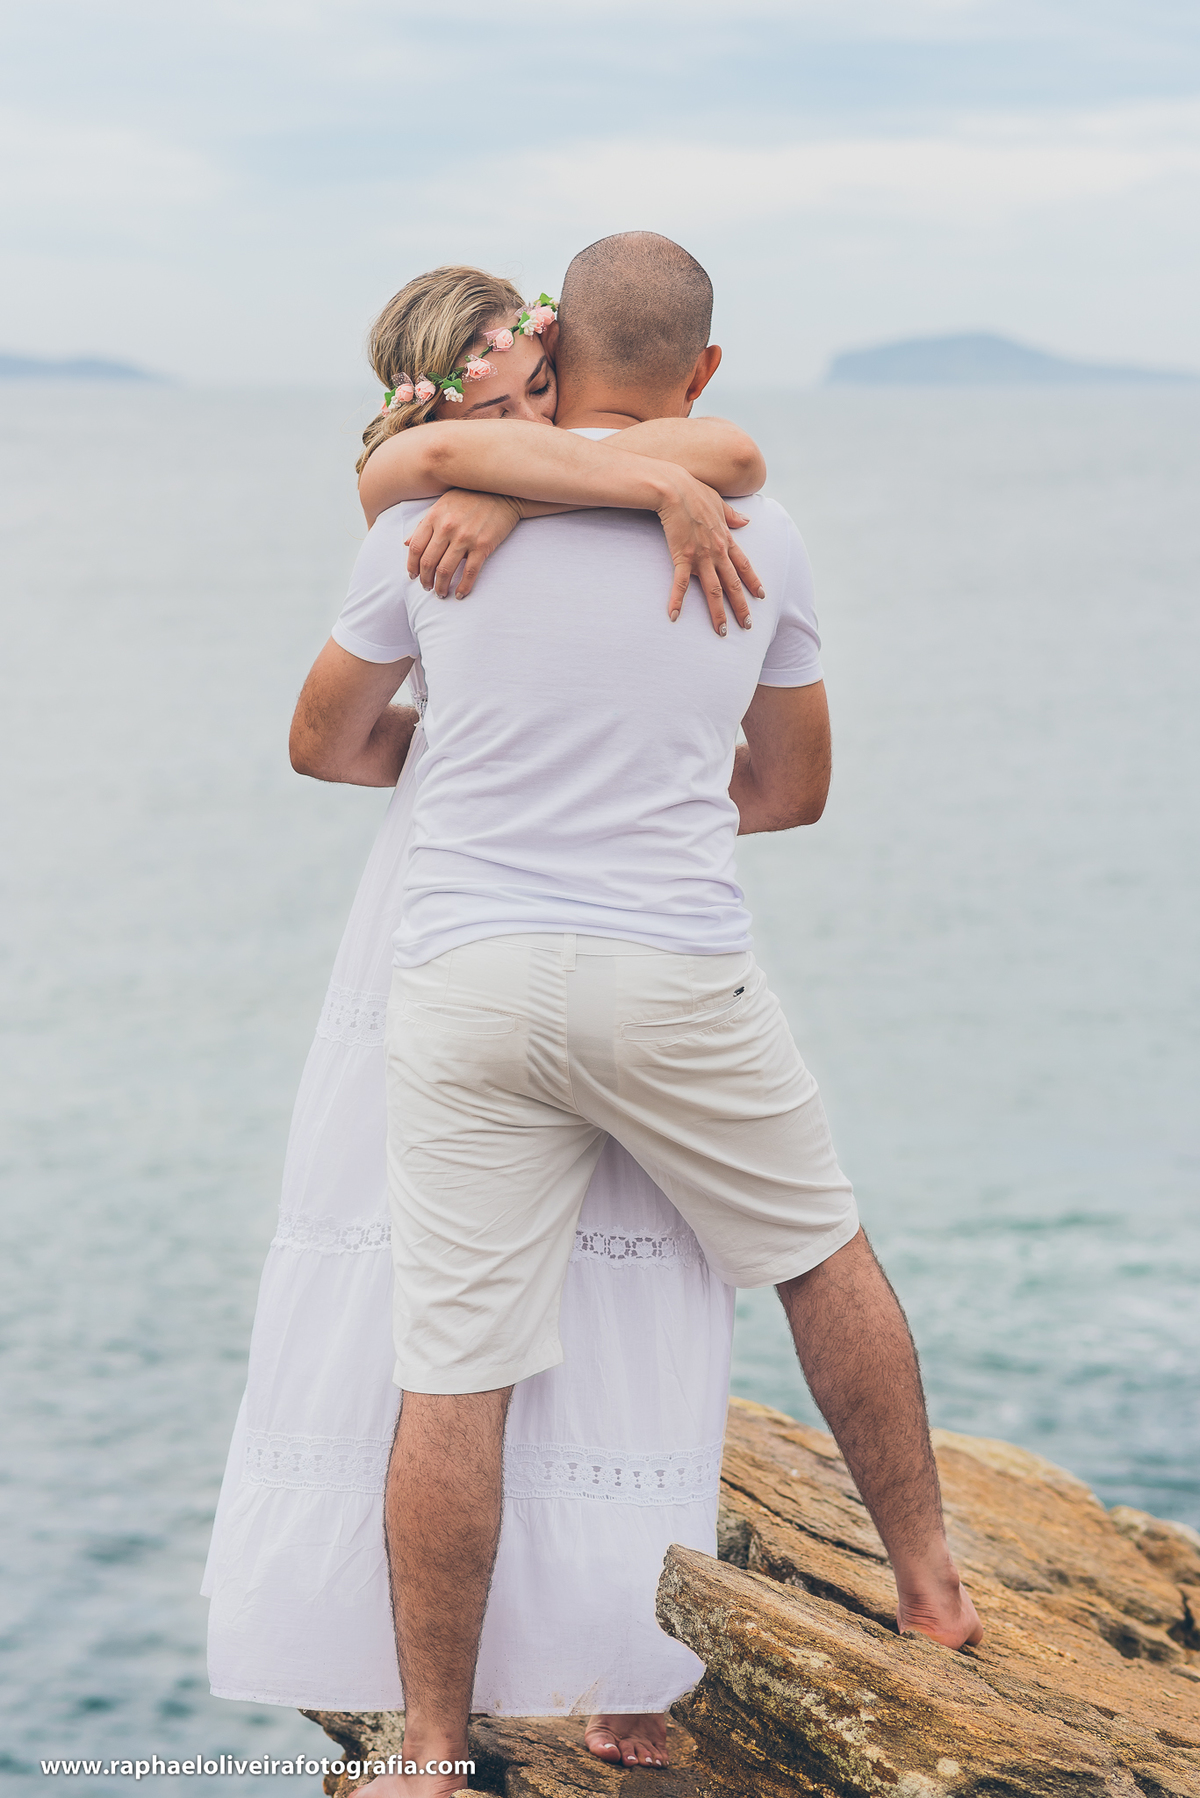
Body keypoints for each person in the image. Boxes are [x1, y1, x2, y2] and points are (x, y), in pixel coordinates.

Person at [292, 232, 982, 1798]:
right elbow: (792, 792)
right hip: (672, 968)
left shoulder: (427, 524)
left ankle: (428, 1751)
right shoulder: (764, 528)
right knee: (819, 1256)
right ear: (702, 368)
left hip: (464, 973)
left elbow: (327, 745)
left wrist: (487, 758)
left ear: (558, 347)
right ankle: (932, 1593)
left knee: (454, 1368)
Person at [202, 262, 776, 1772]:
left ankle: (624, 1660)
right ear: (439, 409)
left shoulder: (524, 486)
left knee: (634, 1284)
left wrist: (530, 499)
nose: (542, 423)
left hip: (573, 914)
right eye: (508, 411)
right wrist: (475, 756)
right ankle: (437, 1696)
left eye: (548, 390)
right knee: (455, 1306)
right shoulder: (416, 496)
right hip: (468, 905)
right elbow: (328, 741)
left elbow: (725, 459)